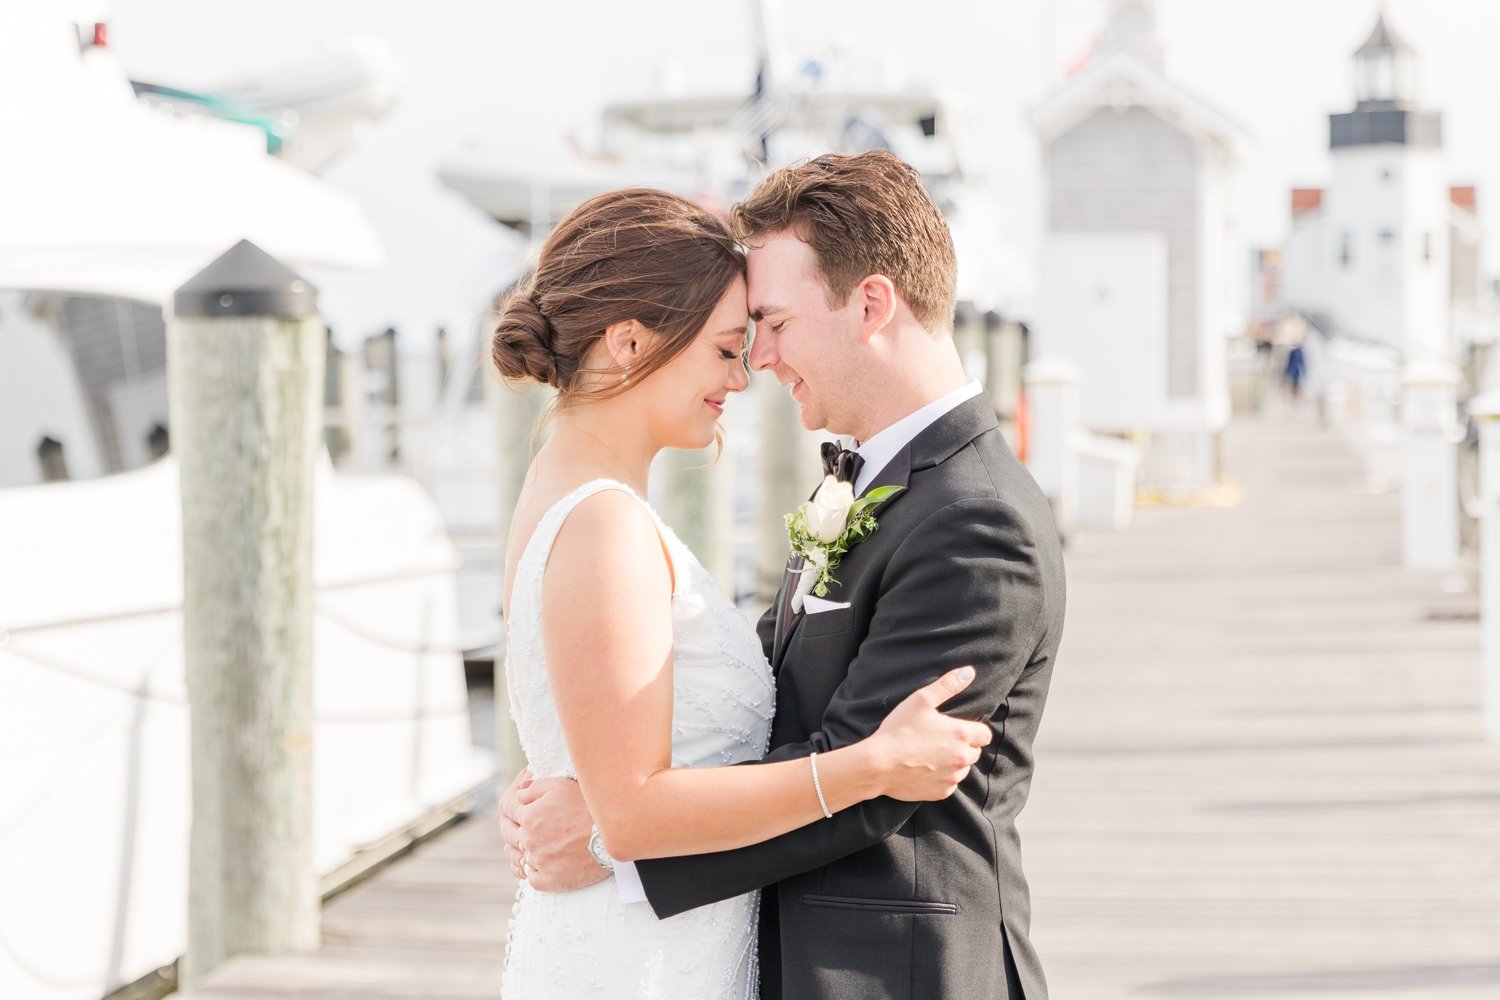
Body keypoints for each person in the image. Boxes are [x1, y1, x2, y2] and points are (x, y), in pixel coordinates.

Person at [501, 152, 1067, 1000]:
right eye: (737, 339)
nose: (756, 360)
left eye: (770, 323)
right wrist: (610, 788)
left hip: (894, 972)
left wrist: (613, 836)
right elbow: (787, 717)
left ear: (870, 304)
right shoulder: (860, 480)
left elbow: (882, 777)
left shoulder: (976, 518)